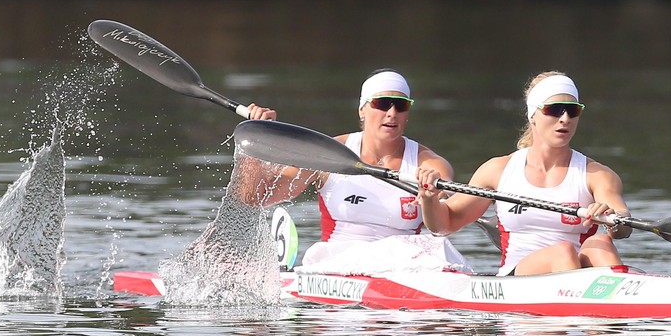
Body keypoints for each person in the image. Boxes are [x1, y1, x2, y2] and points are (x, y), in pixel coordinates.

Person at [236, 69, 468, 272]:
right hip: (337, 265)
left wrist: (429, 199)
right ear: (362, 110)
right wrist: (257, 140)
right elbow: (255, 197)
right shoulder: (326, 154)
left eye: (401, 105)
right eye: (382, 103)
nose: (392, 113)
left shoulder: (430, 164)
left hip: (403, 269)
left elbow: (441, 227)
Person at [417, 71, 631, 276]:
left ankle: (621, 304)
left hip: (573, 272)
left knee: (600, 243)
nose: (565, 118)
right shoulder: (498, 170)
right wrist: (429, 199)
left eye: (572, 110)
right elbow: (444, 224)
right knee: (562, 252)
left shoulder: (597, 174)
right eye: (554, 110)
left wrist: (612, 220)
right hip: (517, 278)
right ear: (533, 116)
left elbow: (622, 223)